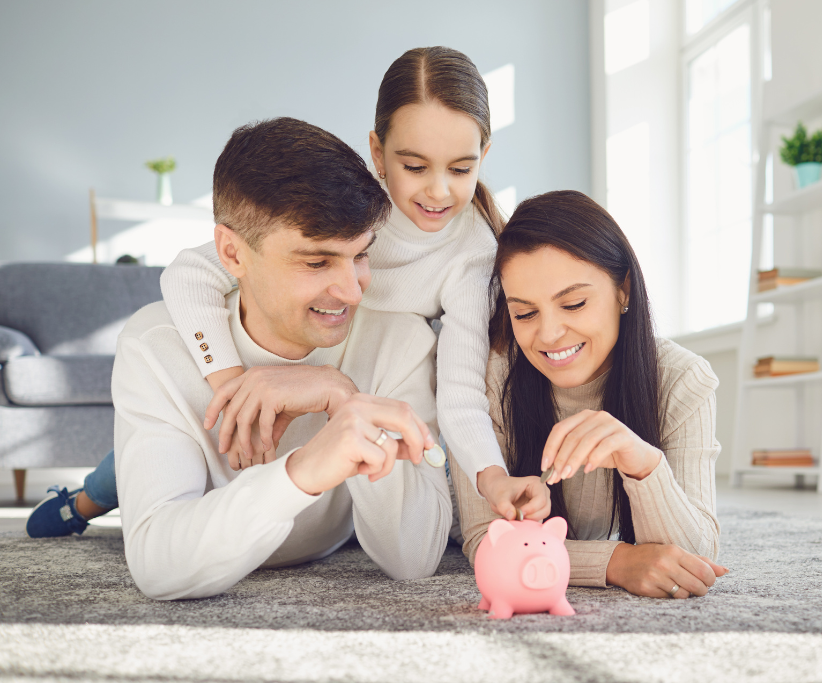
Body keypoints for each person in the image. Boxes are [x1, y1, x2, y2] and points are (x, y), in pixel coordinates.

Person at [28, 46, 549, 538]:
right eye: (414, 167)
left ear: (484, 153)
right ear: (377, 151)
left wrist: (491, 477)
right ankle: (85, 503)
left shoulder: (474, 256)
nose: (438, 191)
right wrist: (237, 384)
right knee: (175, 444)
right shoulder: (348, 207)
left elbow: (460, 393)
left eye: (461, 169)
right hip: (275, 356)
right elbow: (188, 274)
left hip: (358, 369)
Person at [61, 117, 452, 599]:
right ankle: (72, 506)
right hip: (151, 452)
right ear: (232, 253)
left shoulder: (401, 339)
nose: (352, 291)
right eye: (316, 262)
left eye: (361, 255)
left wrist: (347, 400)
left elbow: (414, 559)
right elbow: (158, 567)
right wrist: (300, 472)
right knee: (111, 480)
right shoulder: (156, 345)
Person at [450, 190, 729, 600]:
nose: (547, 334)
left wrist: (642, 464)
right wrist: (616, 562)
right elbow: (484, 541)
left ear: (624, 291)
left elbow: (694, 556)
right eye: (524, 313)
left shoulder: (683, 379)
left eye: (574, 303)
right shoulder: (492, 377)